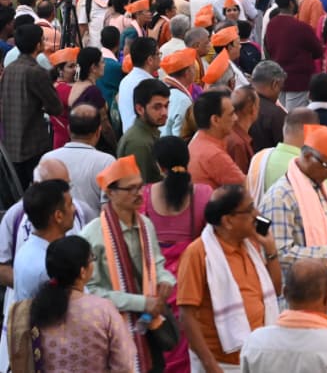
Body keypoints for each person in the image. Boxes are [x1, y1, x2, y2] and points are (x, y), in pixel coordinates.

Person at [80, 155, 177, 373]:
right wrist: (141, 303)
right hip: (112, 331)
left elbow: (157, 263)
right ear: (110, 193)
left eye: (140, 186)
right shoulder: (92, 235)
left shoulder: (145, 225)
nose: (138, 193)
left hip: (148, 327)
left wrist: (165, 280)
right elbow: (91, 292)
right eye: (130, 189)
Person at [177, 185, 282, 373]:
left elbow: (275, 291)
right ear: (228, 221)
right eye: (249, 209)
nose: (257, 214)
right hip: (221, 363)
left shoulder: (251, 246)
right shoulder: (198, 253)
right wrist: (210, 365)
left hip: (257, 357)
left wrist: (271, 249)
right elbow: (187, 315)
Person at [260, 125, 327, 300]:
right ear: (308, 157)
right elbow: (279, 255)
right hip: (300, 300)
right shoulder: (281, 196)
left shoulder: (320, 188)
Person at [7, 236, 136, 373]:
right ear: (82, 272)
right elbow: (125, 364)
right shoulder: (104, 310)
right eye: (91, 259)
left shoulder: (30, 310)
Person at [141, 136, 213, 373]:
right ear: (187, 160)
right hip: (192, 282)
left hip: (154, 283)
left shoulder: (144, 196)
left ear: (158, 165)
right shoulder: (204, 194)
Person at [0, 24, 61, 187]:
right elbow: (56, 107)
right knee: (40, 190)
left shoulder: (9, 69)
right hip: (33, 144)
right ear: (38, 44)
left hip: (11, 144)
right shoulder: (35, 71)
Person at [42, 103, 115, 219]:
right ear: (98, 131)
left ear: (68, 129)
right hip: (94, 228)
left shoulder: (47, 160)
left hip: (57, 228)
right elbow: (108, 210)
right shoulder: (107, 162)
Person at [10, 180, 75, 305]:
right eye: (70, 204)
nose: (74, 209)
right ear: (58, 216)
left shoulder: (27, 250)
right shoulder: (49, 267)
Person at [262, 0, 325, 112]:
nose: (299, 3)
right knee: (295, 117)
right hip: (298, 81)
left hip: (278, 79)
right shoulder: (301, 27)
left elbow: (268, 48)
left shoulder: (272, 24)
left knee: (283, 114)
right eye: (297, 0)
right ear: (291, 3)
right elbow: (318, 51)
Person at [187, 91, 247, 188]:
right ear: (215, 120)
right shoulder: (213, 154)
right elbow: (247, 187)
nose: (235, 118)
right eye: (231, 114)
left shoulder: (197, 141)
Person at [118, 80, 170, 185]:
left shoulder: (147, 134)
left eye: (166, 106)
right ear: (140, 109)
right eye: (157, 107)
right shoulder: (138, 143)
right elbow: (140, 188)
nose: (164, 113)